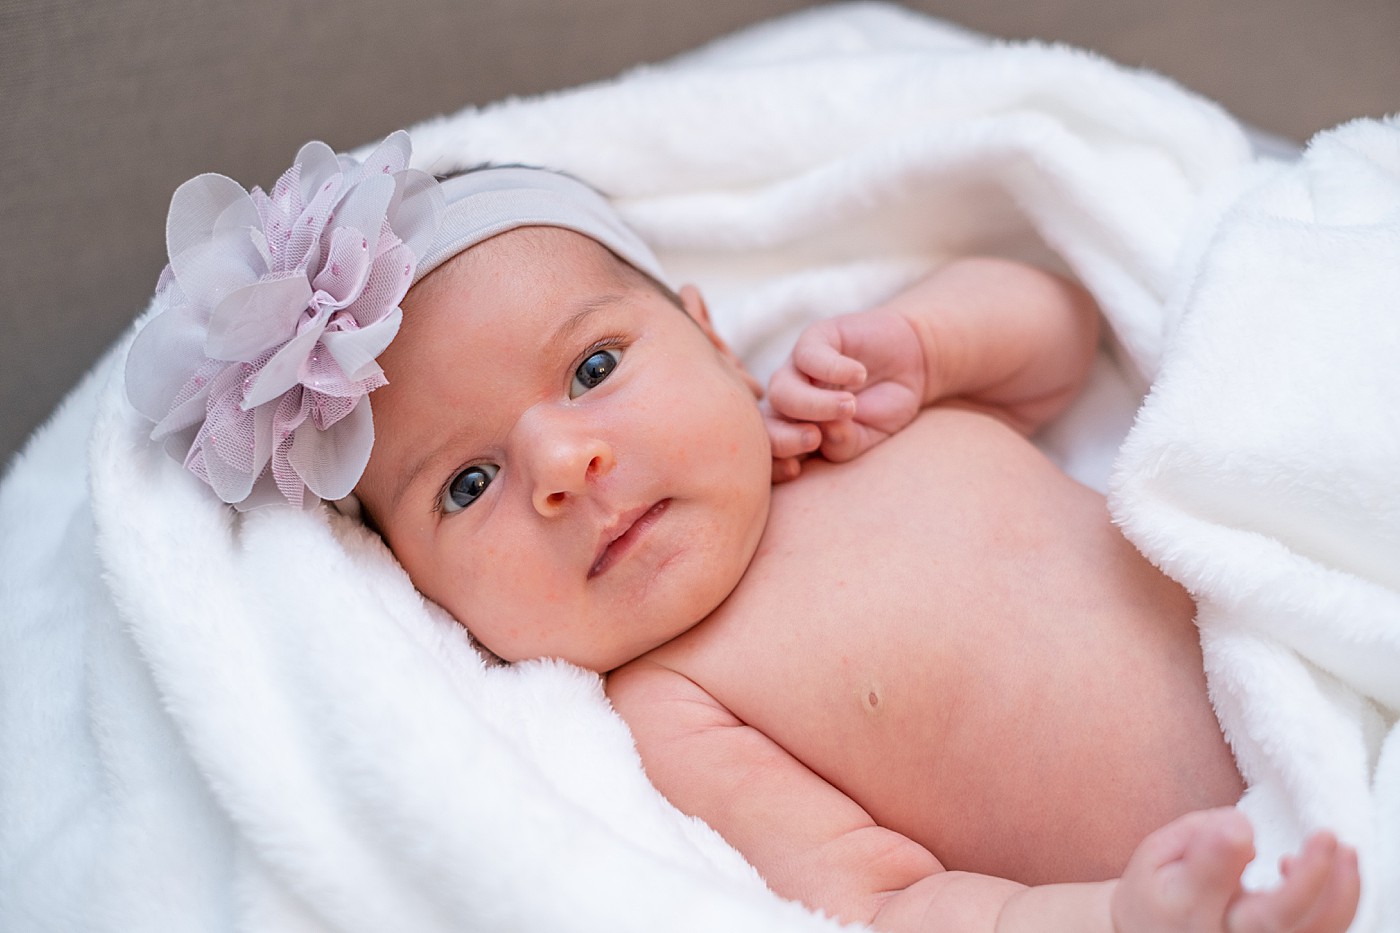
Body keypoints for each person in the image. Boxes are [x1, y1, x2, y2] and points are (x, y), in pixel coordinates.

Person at [127, 141, 1360, 932]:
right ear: (417, 591)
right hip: (1266, 834)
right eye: (464, 486)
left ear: (713, 339)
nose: (564, 465)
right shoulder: (670, 708)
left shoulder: (833, 414)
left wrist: (925, 343)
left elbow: (1063, 336)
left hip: (1327, 626)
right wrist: (1118, 916)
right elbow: (892, 904)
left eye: (594, 366)